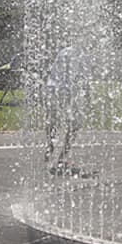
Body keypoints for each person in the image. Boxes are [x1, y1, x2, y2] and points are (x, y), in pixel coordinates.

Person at [42, 43, 89, 174]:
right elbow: (82, 78)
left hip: (52, 87)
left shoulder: (64, 51)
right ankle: (62, 156)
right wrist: (87, 96)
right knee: (75, 123)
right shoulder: (82, 54)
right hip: (66, 90)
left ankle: (49, 147)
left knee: (52, 120)